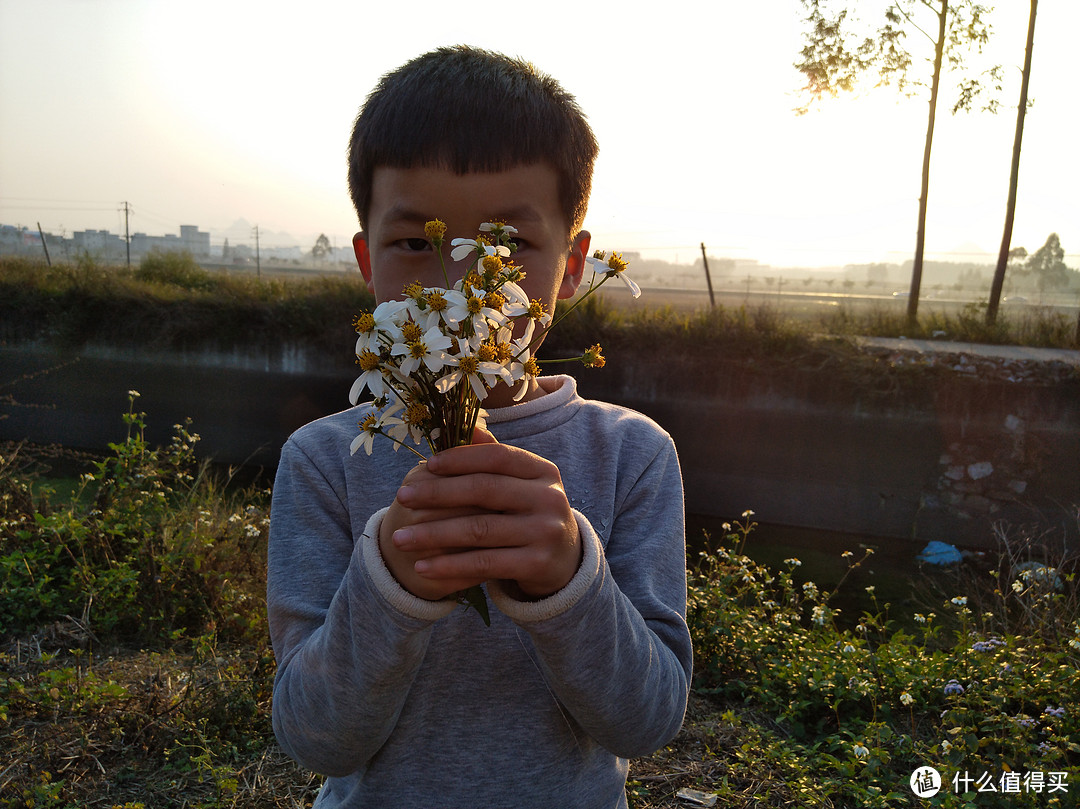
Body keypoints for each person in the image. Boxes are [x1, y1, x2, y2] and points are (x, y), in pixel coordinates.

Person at [267, 45, 692, 809]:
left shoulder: (633, 455)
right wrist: (390, 581)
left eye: (507, 247)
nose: (460, 282)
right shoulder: (324, 459)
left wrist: (570, 579)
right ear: (367, 260)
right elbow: (311, 736)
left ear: (571, 266)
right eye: (413, 243)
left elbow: (649, 721)